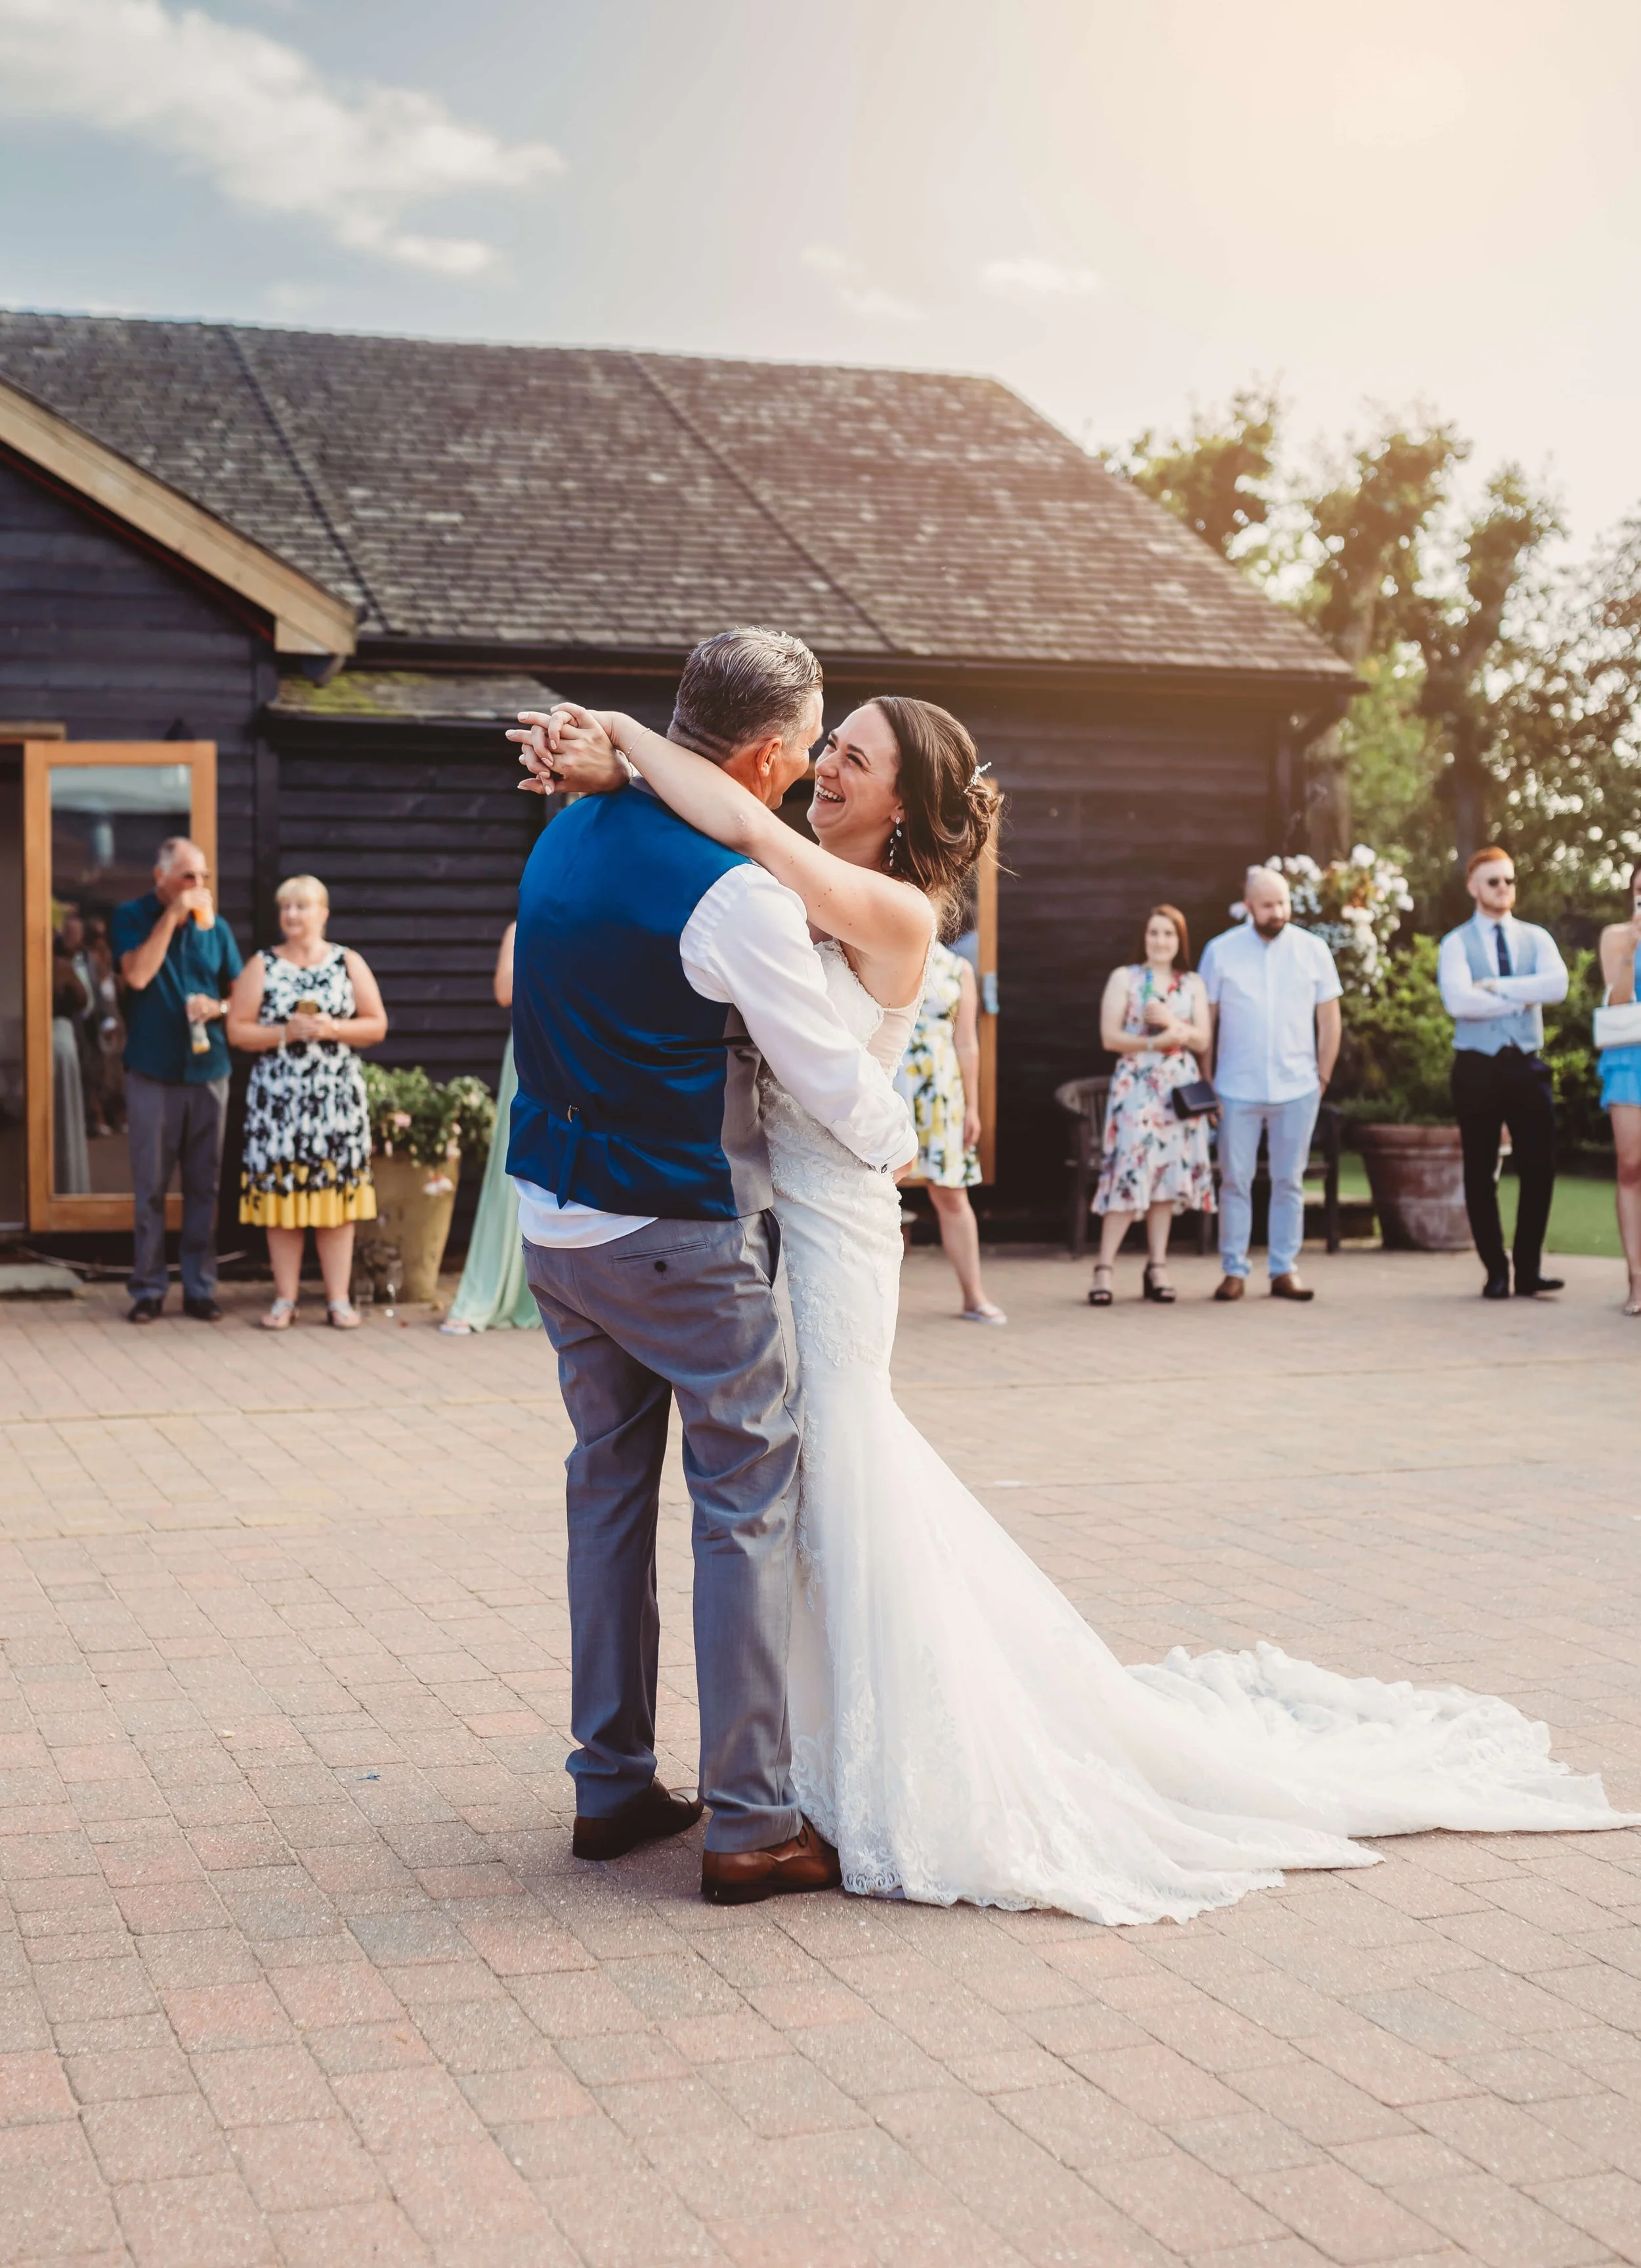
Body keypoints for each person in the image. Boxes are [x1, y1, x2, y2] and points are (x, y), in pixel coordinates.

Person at [521, 663, 1634, 1928]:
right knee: (794, 1495)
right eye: (827, 744)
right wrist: (626, 758)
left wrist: (618, 743)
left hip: (829, 1225)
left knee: (813, 1480)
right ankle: (777, 1780)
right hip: (759, 1223)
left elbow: (735, 821)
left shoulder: (883, 906)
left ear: (903, 805)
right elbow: (728, 826)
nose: (829, 765)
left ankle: (804, 1779)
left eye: (859, 760)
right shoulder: (772, 878)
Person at [507, 629, 917, 1906]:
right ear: (767, 755)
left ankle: (610, 1780)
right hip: (672, 1230)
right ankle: (747, 1819)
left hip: (554, 1223)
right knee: (745, 1494)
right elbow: (832, 1084)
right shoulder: (733, 892)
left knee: (608, 1492)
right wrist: (902, 1142)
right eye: (804, 752)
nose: (809, 772)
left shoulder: (566, 832)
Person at [226, 875, 387, 1330]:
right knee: (283, 1199)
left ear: (323, 912)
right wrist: (283, 1033)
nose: (292, 916)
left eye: (302, 906)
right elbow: (238, 1030)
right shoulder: (263, 964)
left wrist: (333, 1029)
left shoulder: (346, 962)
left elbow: (376, 1025)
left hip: (335, 1104)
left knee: (335, 1200)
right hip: (279, 1106)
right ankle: (285, 1299)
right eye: (286, 908)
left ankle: (338, 1300)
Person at [111, 838, 244, 1324]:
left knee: (204, 1186)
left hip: (210, 1072)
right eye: (189, 877)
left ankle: (199, 1286)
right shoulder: (132, 916)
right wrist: (173, 918)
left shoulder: (218, 929)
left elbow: (240, 995)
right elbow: (139, 977)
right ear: (161, 878)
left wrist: (219, 1008)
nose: (199, 887)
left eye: (204, 877)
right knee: (150, 1186)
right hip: (153, 1071)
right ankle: (148, 1288)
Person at [1199, 868, 1342, 1303]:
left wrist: (1322, 1076)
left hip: (1298, 1087)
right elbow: (1208, 1020)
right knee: (1234, 1181)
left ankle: (1284, 1269)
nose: (1277, 912)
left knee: (1290, 1181)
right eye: (1267, 905)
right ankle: (1234, 1270)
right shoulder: (1220, 952)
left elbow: (1330, 1018)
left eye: (1283, 903)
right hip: (1235, 1088)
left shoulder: (1314, 950)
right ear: (1248, 907)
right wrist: (1206, 1082)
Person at [1438, 846, 1569, 1301]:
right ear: (1474, 888)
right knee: (1480, 1168)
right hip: (1476, 1066)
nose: (1504, 889)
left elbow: (1557, 986)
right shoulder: (1456, 943)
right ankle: (1496, 1269)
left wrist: (1494, 987)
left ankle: (1529, 1269)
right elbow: (1458, 1002)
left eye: (1510, 880)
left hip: (1527, 1064)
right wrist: (1523, 997)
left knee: (1540, 1166)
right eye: (1494, 882)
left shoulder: (1537, 939)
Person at [1089, 906, 1214, 1306]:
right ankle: (1104, 1267)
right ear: (1145, 938)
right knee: (1129, 1170)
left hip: (1177, 1091)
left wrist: (1173, 1027)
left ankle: (1157, 1266)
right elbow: (1110, 1037)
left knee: (1166, 1175)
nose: (1160, 941)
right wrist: (1151, 1042)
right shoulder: (1124, 978)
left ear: (1180, 941)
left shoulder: (1191, 983)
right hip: (1137, 1087)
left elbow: (1203, 1040)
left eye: (1168, 934)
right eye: (1154, 933)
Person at [440, 922, 542, 1335]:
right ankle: (492, 1290)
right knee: (514, 1164)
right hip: (531, 1045)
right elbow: (504, 992)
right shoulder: (521, 929)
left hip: (581, 1043)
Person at [897, 936, 1004, 1322]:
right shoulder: (885, 949)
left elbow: (967, 1044)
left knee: (952, 1195)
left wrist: (972, 1108)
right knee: (871, 1191)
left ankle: (973, 1296)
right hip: (891, 1085)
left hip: (942, 1094)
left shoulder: (959, 968)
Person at [1596, 858, 1641, 1315]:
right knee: (1630, 1165)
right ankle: (1636, 1281)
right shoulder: (1616, 937)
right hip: (1630, 1057)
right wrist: (1633, 944)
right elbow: (1619, 1000)